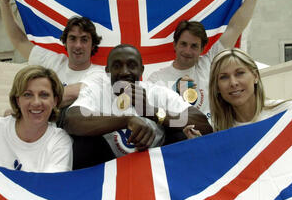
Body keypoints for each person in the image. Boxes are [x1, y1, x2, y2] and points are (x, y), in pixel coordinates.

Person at [64, 44, 212, 169]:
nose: (124, 72)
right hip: (109, 168)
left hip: (154, 168)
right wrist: (126, 120)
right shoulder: (97, 91)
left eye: (131, 65)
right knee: (84, 144)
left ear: (141, 70)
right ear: (107, 71)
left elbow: (202, 125)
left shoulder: (157, 91)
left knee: (181, 136)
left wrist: (152, 112)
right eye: (117, 66)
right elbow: (71, 120)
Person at [147, 0, 265, 121]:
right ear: (175, 45)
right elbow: (151, 115)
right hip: (178, 142)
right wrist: (175, 97)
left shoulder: (210, 63)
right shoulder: (157, 79)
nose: (188, 51)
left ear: (202, 49)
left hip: (216, 135)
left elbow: (236, 27)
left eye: (194, 46)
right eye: (183, 44)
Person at [184, 48, 292, 137]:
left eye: (239, 73)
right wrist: (198, 149)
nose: (233, 83)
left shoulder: (291, 111)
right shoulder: (218, 132)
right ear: (217, 88)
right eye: (223, 77)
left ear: (255, 76)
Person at [0, 0, 104, 107]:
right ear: (65, 42)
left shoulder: (100, 74)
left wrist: (25, 106)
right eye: (72, 39)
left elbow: (69, 95)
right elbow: (20, 41)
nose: (78, 45)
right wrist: (4, 4)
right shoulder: (54, 60)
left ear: (93, 45)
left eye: (84, 40)